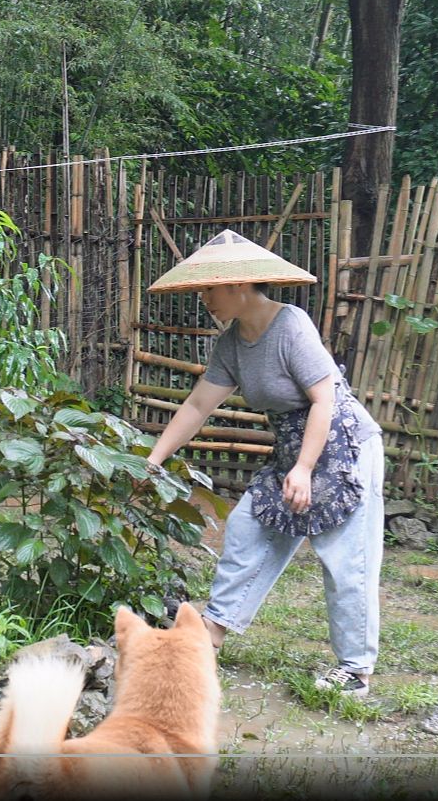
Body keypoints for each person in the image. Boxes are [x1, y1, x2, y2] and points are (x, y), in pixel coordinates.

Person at [143, 229, 386, 697]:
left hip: (343, 445)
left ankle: (355, 671)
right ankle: (211, 634)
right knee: (248, 526)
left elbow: (325, 398)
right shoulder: (232, 343)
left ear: (238, 285)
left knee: (344, 559)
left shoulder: (290, 325)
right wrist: (153, 460)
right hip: (295, 450)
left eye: (208, 289)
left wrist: (304, 469)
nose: (203, 299)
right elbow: (197, 407)